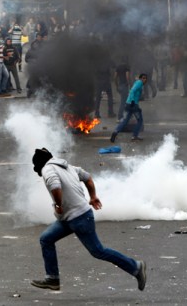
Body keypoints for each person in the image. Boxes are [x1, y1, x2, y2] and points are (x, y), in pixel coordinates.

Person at [30, 148, 147, 291]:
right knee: (46, 239)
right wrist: (93, 196)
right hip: (68, 218)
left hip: (79, 218)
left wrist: (59, 205)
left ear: (40, 164)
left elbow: (55, 186)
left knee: (98, 251)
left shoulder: (47, 169)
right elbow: (87, 177)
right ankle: (52, 279)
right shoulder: (67, 167)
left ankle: (135, 267)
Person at [110, 74, 148, 143]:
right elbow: (132, 91)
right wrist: (133, 101)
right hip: (133, 105)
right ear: (140, 78)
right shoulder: (139, 83)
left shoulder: (137, 83)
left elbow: (134, 93)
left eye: (145, 78)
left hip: (128, 104)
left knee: (125, 121)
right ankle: (134, 136)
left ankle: (115, 132)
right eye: (143, 78)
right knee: (140, 120)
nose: (144, 80)